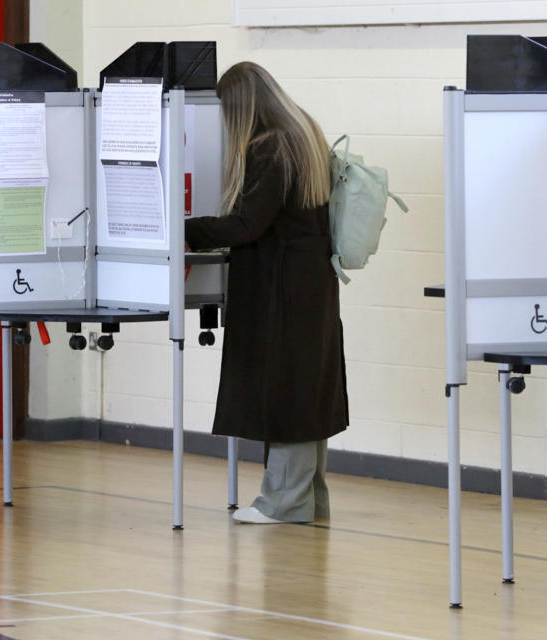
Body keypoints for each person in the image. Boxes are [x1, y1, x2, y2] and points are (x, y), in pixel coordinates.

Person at [184, 61, 348, 524]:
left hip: (281, 285)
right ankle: (308, 497)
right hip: (310, 281)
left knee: (288, 389)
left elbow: (247, 224)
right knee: (308, 387)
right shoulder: (304, 133)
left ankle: (283, 502)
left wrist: (187, 231)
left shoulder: (270, 147)